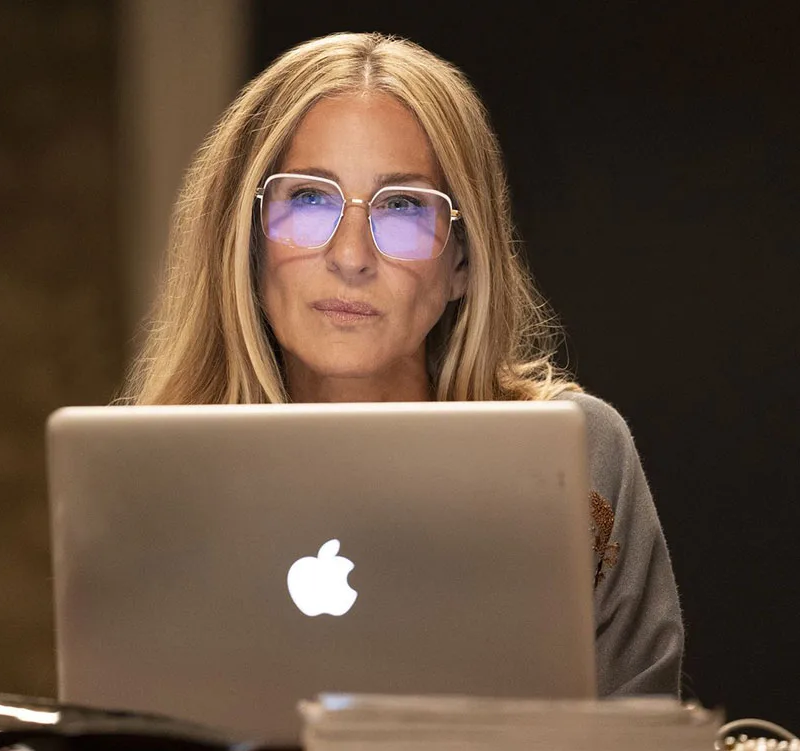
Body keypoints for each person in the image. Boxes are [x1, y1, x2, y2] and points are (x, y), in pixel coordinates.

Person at [120, 32, 684, 696]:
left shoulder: (578, 454)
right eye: (308, 199)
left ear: (463, 265)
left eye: (404, 207)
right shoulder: (155, 482)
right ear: (246, 241)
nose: (352, 255)